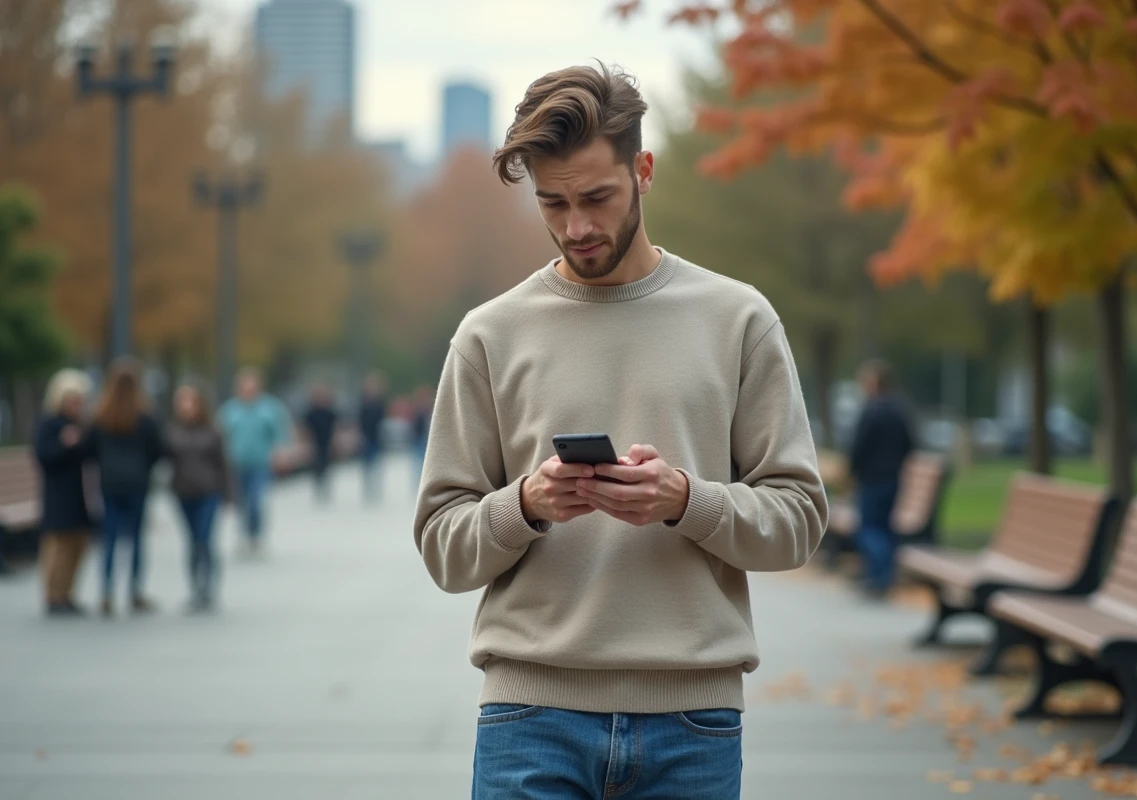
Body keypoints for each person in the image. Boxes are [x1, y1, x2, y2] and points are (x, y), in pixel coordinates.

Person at [413, 64, 828, 800]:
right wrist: (526, 505)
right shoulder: (488, 335)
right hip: (529, 717)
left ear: (644, 171)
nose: (576, 227)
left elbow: (797, 523)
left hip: (692, 725)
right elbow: (443, 547)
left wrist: (686, 500)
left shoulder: (739, 320)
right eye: (553, 202)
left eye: (597, 198)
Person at [88, 359, 164, 617]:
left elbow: (89, 450)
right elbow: (157, 450)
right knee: (136, 539)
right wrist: (142, 467)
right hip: (137, 482)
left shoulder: (101, 415)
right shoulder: (145, 416)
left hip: (110, 482)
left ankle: (107, 591)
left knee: (109, 538)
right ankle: (135, 590)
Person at [848, 359, 915, 598]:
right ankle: (881, 574)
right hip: (893, 479)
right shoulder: (900, 410)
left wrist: (852, 472)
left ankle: (881, 576)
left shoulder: (871, 410)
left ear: (875, 383)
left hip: (871, 479)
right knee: (885, 527)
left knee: (868, 528)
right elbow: (909, 444)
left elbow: (859, 447)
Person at [34, 368, 95, 617]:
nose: (77, 405)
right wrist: (64, 444)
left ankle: (68, 593)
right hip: (57, 492)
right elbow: (44, 456)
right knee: (57, 544)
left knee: (78, 542)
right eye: (73, 400)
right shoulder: (50, 424)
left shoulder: (78, 425)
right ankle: (53, 595)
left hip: (78, 492)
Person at [166, 385, 229, 612]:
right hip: (183, 492)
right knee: (192, 541)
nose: (186, 407)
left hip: (208, 491)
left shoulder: (212, 431)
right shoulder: (173, 432)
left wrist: (229, 494)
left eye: (190, 402)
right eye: (182, 402)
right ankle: (194, 588)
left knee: (204, 539)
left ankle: (207, 587)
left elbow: (223, 464)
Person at [217, 368, 290, 553]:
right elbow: (220, 435)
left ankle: (255, 534)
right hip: (236, 463)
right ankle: (242, 533)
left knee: (255, 500)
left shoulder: (269, 408)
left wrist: (280, 453)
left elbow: (279, 433)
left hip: (260, 463)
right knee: (240, 502)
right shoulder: (230, 410)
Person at [302, 384, 337, 504]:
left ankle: (325, 486)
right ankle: (318, 485)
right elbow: (306, 428)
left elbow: (335, 428)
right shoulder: (311, 412)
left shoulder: (330, 412)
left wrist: (334, 442)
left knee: (326, 465)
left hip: (327, 443)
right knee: (317, 467)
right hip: (315, 443)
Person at [358, 371, 388, 503]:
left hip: (377, 437)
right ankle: (368, 488)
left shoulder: (380, 402)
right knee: (367, 464)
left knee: (377, 464)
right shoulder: (363, 401)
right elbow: (360, 420)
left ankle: (376, 488)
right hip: (366, 437)